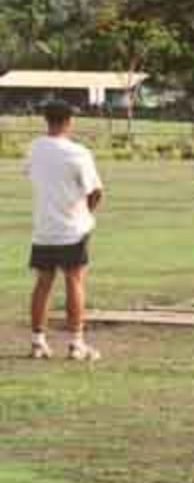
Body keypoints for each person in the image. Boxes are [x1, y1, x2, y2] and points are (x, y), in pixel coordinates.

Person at [24, 100, 104, 361]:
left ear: (46, 120)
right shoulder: (78, 153)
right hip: (72, 228)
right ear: (69, 121)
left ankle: (38, 342)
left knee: (42, 283)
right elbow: (96, 191)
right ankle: (76, 343)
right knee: (75, 281)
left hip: (44, 228)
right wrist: (87, 213)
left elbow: (31, 173)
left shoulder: (35, 148)